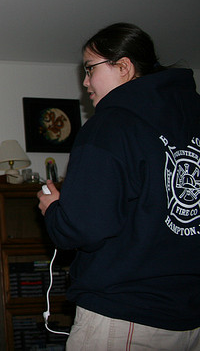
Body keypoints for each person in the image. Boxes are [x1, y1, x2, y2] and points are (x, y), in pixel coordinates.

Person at [37, 22, 200, 350]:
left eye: (90, 69)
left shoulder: (111, 123)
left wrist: (53, 209)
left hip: (126, 313)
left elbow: (83, 227)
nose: (85, 82)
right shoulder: (192, 117)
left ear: (123, 67)